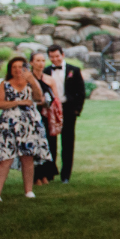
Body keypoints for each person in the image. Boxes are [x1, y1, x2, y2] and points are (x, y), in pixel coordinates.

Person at [0, 57, 52, 201]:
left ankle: (28, 191)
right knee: (5, 158)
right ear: (10, 70)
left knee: (27, 156)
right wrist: (19, 102)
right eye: (14, 67)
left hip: (28, 124)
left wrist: (32, 80)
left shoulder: (31, 83)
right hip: (8, 124)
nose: (17, 70)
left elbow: (38, 98)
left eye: (20, 67)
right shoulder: (5, 84)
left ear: (25, 68)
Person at [46, 45, 85, 182]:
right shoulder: (46, 71)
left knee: (67, 143)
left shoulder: (73, 70)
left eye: (57, 56)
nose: (55, 59)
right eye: (52, 57)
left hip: (68, 110)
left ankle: (65, 175)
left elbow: (81, 92)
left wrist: (76, 110)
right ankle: (50, 173)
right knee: (50, 142)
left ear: (62, 55)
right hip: (51, 110)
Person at [30, 52, 62, 185]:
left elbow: (56, 99)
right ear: (31, 62)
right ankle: (36, 176)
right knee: (35, 144)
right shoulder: (28, 79)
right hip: (33, 114)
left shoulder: (49, 79)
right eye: (37, 60)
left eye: (43, 60)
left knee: (49, 143)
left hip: (47, 115)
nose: (41, 63)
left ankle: (47, 174)